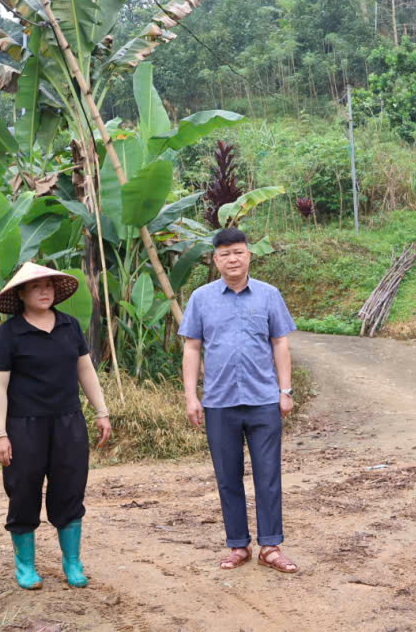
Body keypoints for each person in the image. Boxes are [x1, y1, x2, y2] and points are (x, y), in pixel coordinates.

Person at [0, 262, 113, 590]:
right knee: (23, 492)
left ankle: (72, 562)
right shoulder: (8, 334)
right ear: (20, 294)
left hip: (68, 423)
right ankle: (25, 567)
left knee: (70, 490)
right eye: (35, 286)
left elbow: (85, 371)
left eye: (49, 285)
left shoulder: (69, 326)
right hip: (23, 427)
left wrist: (102, 411)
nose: (44, 291)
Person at [181, 228, 299, 573]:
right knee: (227, 476)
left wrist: (285, 390)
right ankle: (238, 545)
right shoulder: (201, 299)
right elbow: (191, 348)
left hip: (263, 400)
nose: (232, 259)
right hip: (219, 403)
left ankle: (271, 546)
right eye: (225, 254)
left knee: (268, 474)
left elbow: (280, 342)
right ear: (215, 260)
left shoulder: (268, 295)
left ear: (249, 255)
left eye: (238, 252)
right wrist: (192, 397)